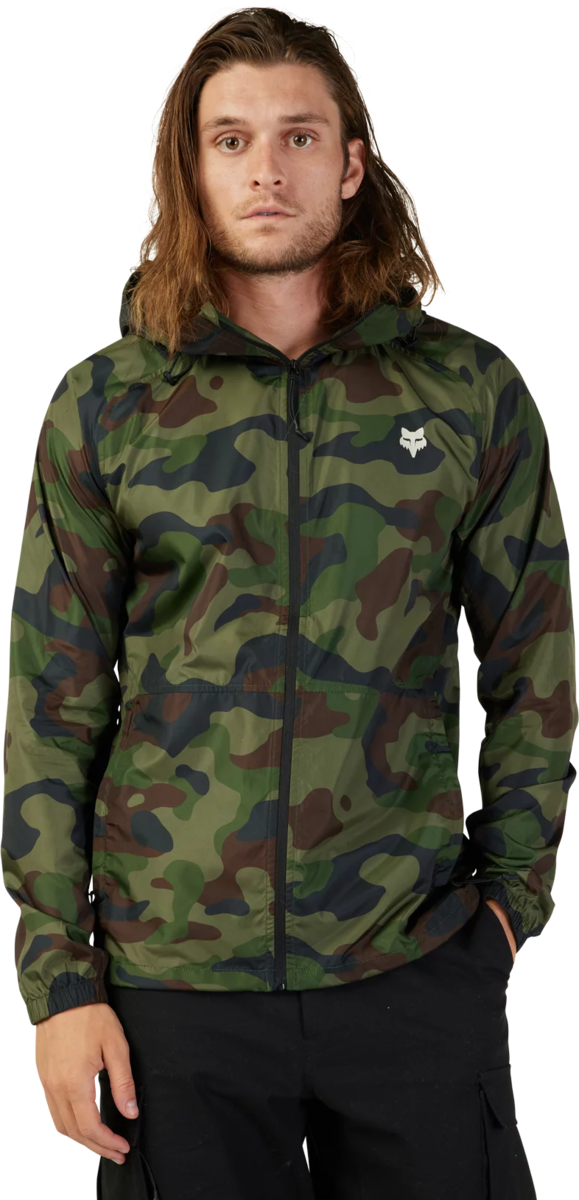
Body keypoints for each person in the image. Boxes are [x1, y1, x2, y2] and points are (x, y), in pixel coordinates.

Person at [1, 7, 575, 1198]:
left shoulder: (467, 389)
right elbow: (52, 703)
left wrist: (507, 911)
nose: (266, 168)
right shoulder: (107, 405)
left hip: (411, 962)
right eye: (231, 139)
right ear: (190, 168)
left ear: (352, 163)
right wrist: (60, 985)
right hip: (173, 986)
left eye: (299, 136)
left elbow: (534, 665)